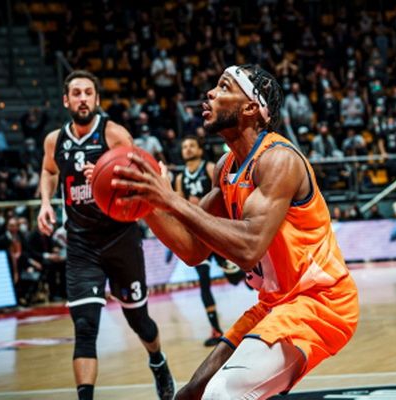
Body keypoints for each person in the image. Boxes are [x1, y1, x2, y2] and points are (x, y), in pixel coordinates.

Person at [113, 64, 359, 399]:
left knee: (222, 394)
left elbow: (249, 248)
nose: (210, 93)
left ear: (250, 108)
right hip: (274, 303)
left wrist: (169, 198)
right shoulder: (225, 168)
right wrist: (148, 204)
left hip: (320, 302)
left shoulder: (278, 160)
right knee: (191, 395)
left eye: (224, 87)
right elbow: (192, 250)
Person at [36, 70, 175, 400]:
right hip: (81, 243)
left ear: (97, 99)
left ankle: (158, 361)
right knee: (85, 327)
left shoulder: (114, 134)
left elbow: (142, 178)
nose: (83, 99)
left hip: (120, 239)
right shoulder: (54, 140)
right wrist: (45, 203)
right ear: (66, 100)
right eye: (76, 93)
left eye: (88, 93)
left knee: (139, 321)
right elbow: (49, 170)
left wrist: (105, 176)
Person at [174, 135, 224, 347]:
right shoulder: (179, 178)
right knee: (204, 283)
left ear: (200, 150)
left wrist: (203, 203)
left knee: (237, 276)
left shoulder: (210, 168)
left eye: (191, 145)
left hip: (218, 231)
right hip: (199, 236)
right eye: (184, 146)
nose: (187, 149)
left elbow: (223, 195)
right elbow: (178, 206)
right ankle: (216, 330)